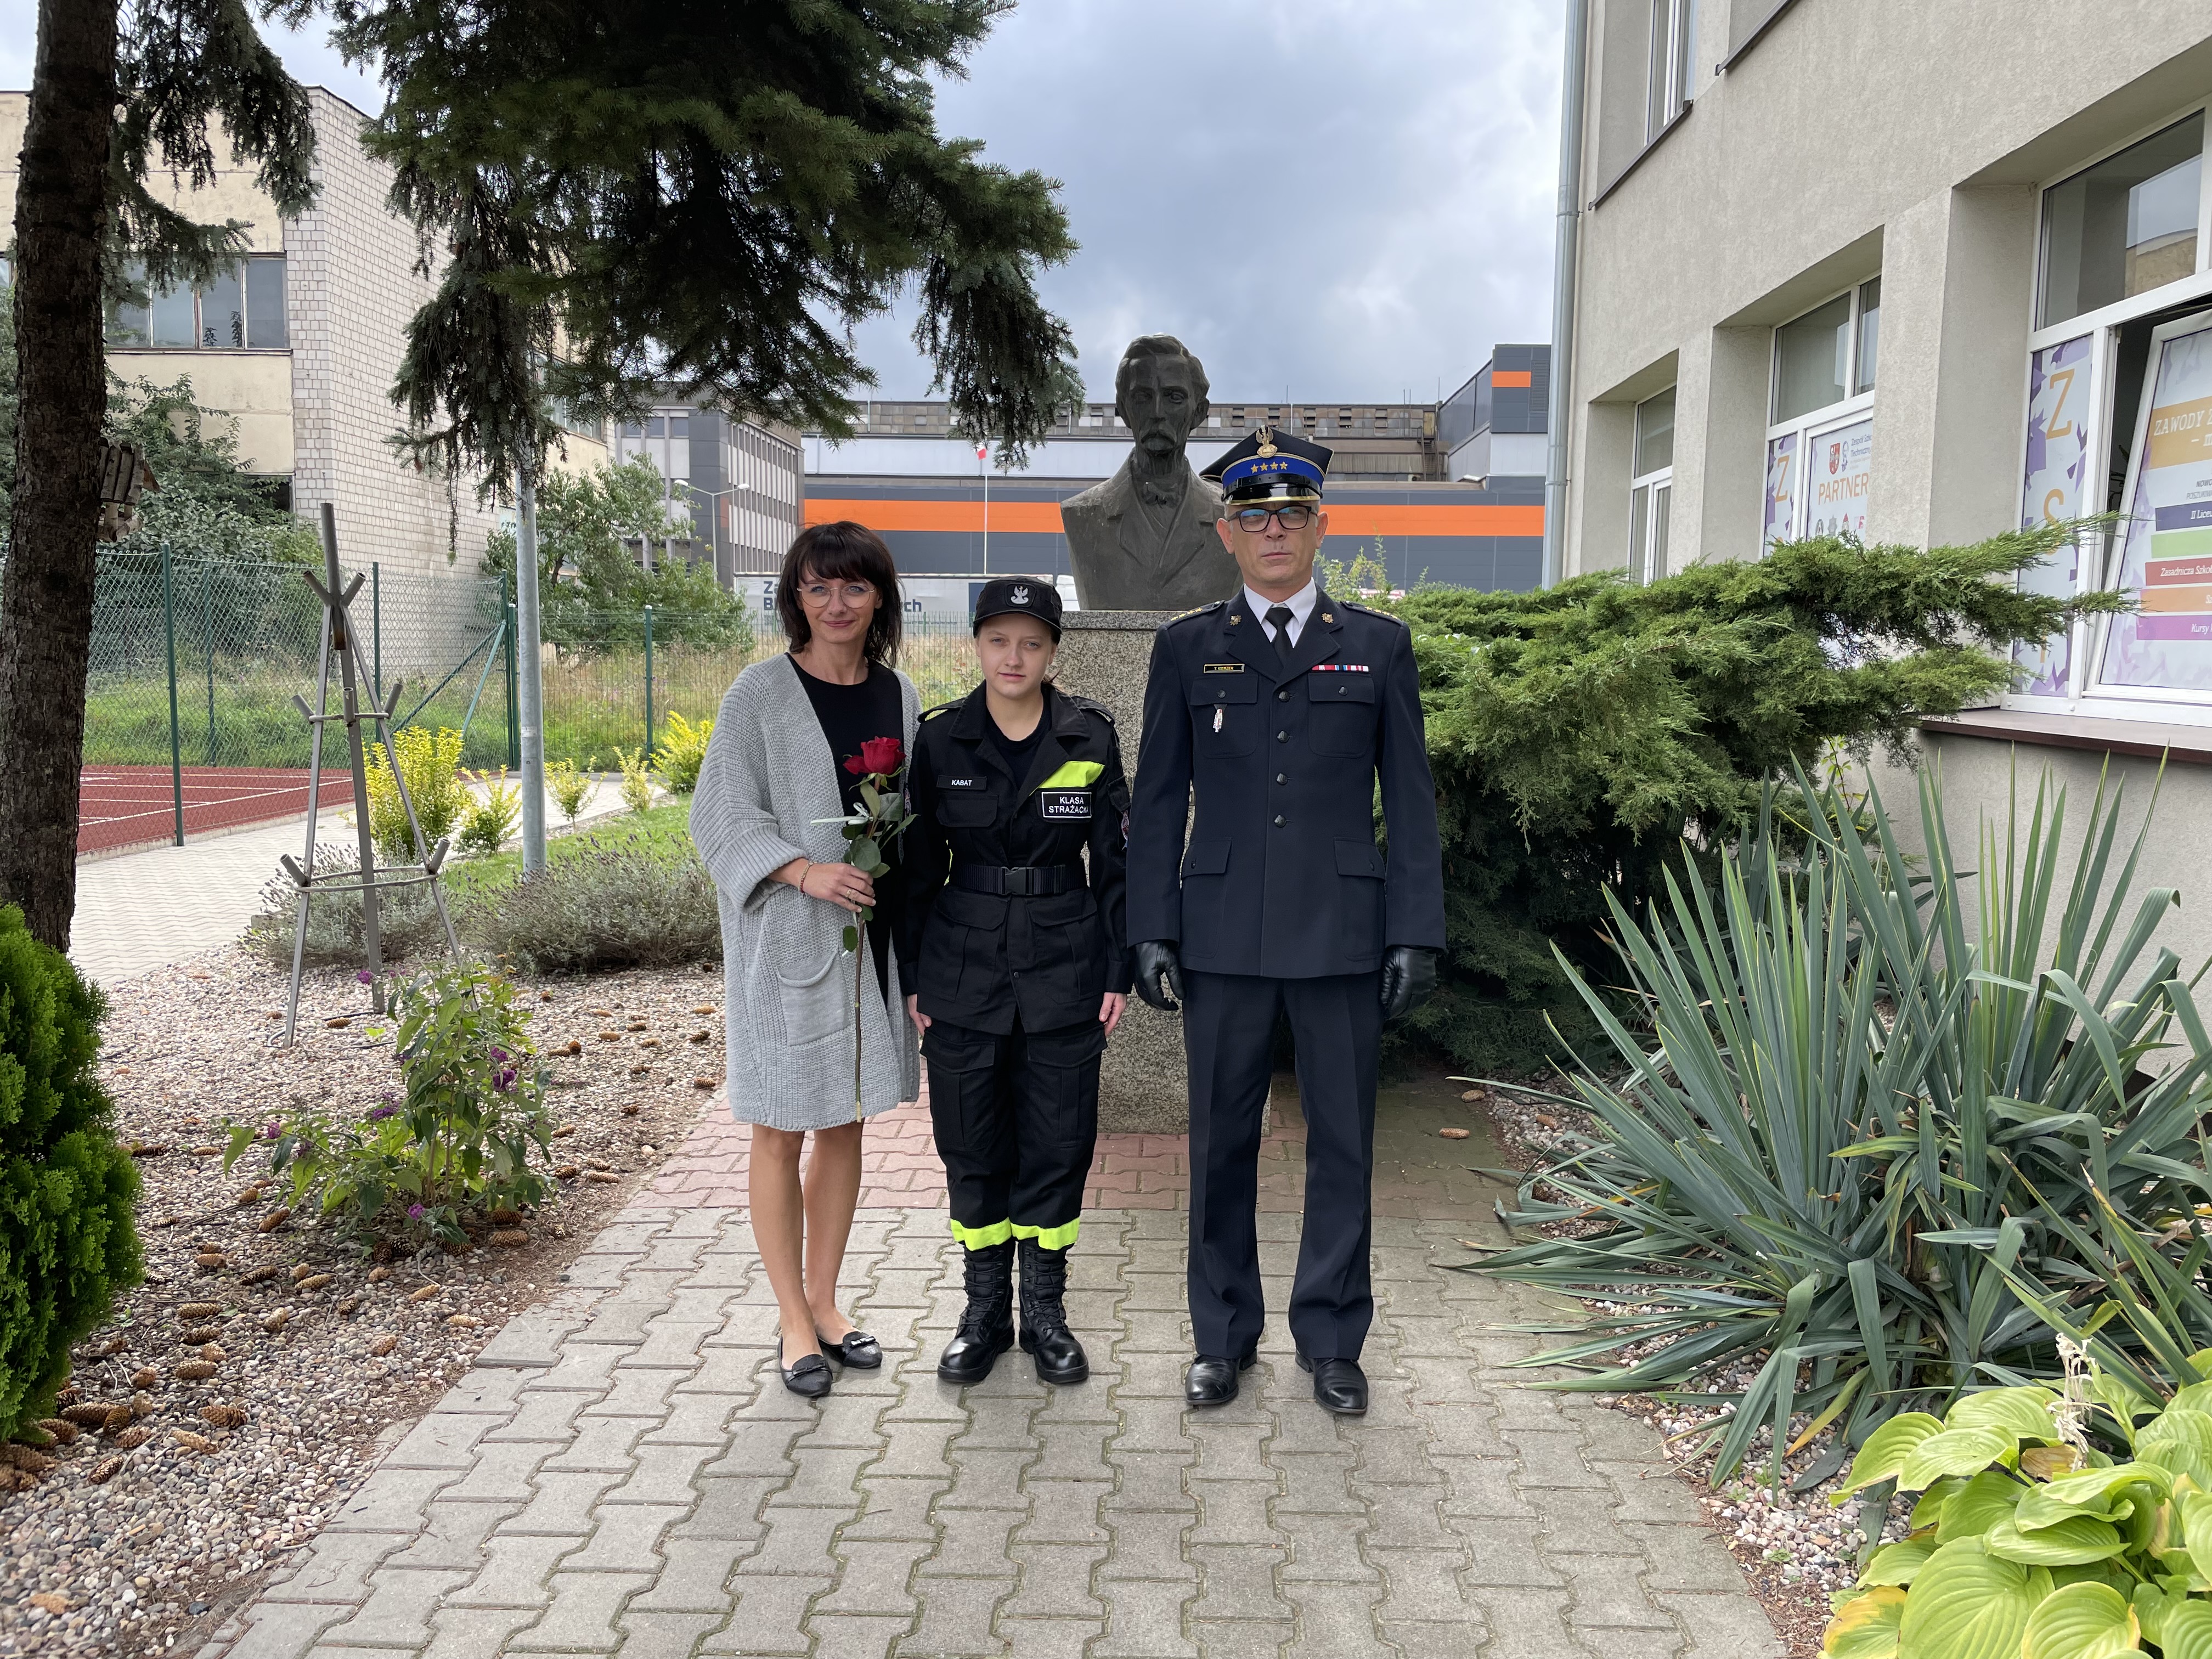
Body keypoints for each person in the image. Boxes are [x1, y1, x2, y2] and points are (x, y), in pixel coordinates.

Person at [1126, 426, 1446, 1416]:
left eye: (1293, 514)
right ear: (1227, 532)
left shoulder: (1378, 647)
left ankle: (1333, 1339)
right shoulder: (1188, 647)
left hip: (1342, 931)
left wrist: (1414, 931)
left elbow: (1413, 804)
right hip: (1221, 931)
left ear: (1321, 526)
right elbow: (1158, 800)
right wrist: (1150, 925)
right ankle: (1223, 1337)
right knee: (1219, 1144)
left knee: (1343, 1143)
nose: (1275, 530)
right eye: (1255, 515)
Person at [690, 522, 921, 1400]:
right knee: (780, 1125)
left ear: (879, 599)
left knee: (847, 1119)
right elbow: (719, 815)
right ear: (795, 597)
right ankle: (792, 1318)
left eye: (854, 587)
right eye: (818, 587)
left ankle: (826, 1301)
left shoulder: (898, 697)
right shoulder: (758, 694)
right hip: (788, 940)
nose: (836, 604)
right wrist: (801, 871)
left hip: (869, 943)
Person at [898, 577, 1132, 1385]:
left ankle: (1046, 1317)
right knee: (971, 1145)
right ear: (977, 644)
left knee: (1060, 1144)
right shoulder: (941, 740)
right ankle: (984, 1315)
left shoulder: (1089, 735)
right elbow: (916, 871)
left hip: (1067, 963)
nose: (1014, 657)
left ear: (1053, 652)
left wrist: (1118, 968)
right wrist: (914, 976)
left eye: (1032, 643)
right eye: (999, 640)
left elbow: (1118, 865)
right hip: (962, 968)